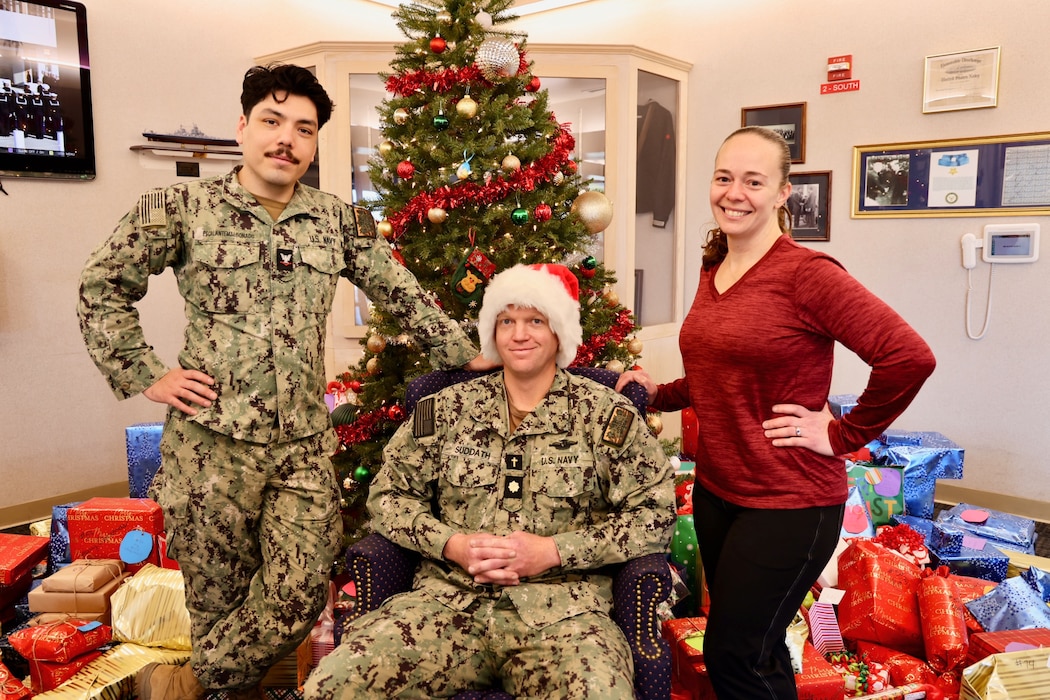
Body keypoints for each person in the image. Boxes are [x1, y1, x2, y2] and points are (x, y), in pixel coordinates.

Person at [77, 64, 492, 700]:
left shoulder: (337, 221)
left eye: (304, 128)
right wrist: (147, 374)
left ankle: (192, 679)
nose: (286, 140)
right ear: (242, 127)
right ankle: (229, 689)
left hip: (300, 445)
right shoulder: (182, 209)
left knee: (299, 594)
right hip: (208, 448)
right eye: (272, 122)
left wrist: (467, 352)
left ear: (315, 142)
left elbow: (396, 290)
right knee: (217, 600)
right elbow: (103, 286)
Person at [616, 126, 936, 699]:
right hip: (719, 494)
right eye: (723, 177)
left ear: (783, 192)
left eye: (754, 181)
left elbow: (908, 357)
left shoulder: (807, 276)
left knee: (732, 655)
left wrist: (842, 433)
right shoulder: (715, 269)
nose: (734, 193)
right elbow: (721, 372)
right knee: (757, 652)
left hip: (790, 502)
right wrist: (657, 393)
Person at [305, 263, 676, 699]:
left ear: (558, 331)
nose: (520, 335)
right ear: (493, 332)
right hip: (444, 606)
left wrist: (553, 551)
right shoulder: (442, 410)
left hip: (565, 616)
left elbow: (654, 515)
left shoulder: (605, 415)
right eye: (507, 321)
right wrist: (450, 544)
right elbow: (389, 497)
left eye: (535, 320)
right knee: (335, 684)